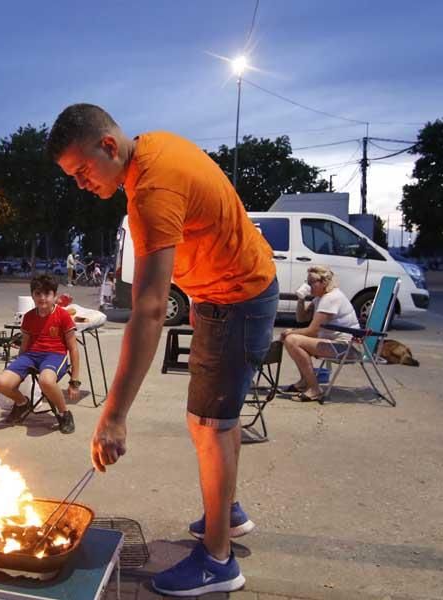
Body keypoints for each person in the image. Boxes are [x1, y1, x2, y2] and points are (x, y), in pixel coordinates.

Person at [47, 103, 278, 595]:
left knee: (210, 425)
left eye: (83, 170)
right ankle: (226, 513)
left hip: (236, 297)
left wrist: (113, 414)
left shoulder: (151, 190)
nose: (82, 183)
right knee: (215, 420)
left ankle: (218, 561)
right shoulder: (152, 149)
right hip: (226, 295)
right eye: (72, 176)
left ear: (109, 145)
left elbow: (149, 309)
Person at [0, 274, 81, 434]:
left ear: (55, 296)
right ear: (32, 295)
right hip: (31, 355)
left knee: (45, 381)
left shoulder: (63, 316)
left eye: (47, 294)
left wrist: (74, 381)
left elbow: (73, 348)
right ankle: (21, 403)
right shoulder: (29, 317)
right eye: (38, 293)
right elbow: (25, 345)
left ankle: (64, 413)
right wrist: (17, 370)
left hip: (55, 355)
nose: (42, 298)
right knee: (0, 383)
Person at [280, 266, 360, 402]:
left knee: (292, 340)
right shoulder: (321, 297)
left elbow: (312, 331)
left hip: (346, 348)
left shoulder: (330, 298)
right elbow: (301, 318)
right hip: (338, 346)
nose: (308, 286)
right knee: (292, 338)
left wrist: (290, 332)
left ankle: (314, 389)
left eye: (311, 283)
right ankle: (305, 382)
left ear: (323, 282)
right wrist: (300, 299)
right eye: (307, 282)